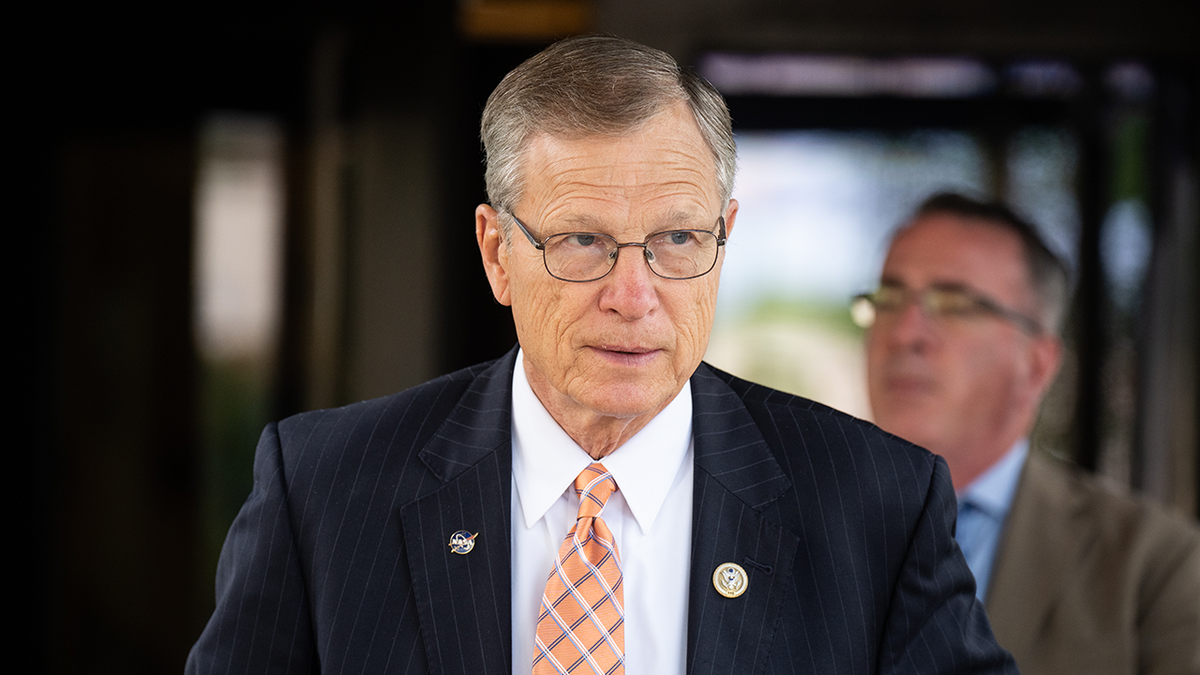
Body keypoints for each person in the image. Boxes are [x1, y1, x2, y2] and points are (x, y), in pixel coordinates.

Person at [187, 37, 1015, 675]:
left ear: (725, 239)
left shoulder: (877, 505)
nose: (633, 292)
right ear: (495, 251)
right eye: (583, 240)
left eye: (678, 239)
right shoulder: (324, 489)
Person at [859, 192, 1200, 675]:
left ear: (1036, 366)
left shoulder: (1155, 567)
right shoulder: (784, 520)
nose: (905, 333)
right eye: (889, 298)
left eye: (955, 304)